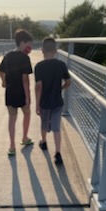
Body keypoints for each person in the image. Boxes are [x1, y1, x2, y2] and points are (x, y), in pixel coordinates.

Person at [34, 37, 71, 165]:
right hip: (57, 101)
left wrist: (37, 104)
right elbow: (68, 82)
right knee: (56, 127)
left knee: (44, 123)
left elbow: (38, 86)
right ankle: (58, 153)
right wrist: (61, 88)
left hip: (44, 102)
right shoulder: (61, 65)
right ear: (55, 50)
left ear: (42, 50)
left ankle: (44, 142)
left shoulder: (39, 67)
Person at [0, 29, 33, 156]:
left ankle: (12, 146)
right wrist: (28, 98)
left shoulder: (7, 56)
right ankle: (24, 137)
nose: (30, 46)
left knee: (12, 118)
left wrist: (3, 82)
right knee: (27, 114)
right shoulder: (25, 58)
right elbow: (25, 79)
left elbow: (1, 71)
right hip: (21, 92)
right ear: (22, 42)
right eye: (28, 43)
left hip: (10, 91)